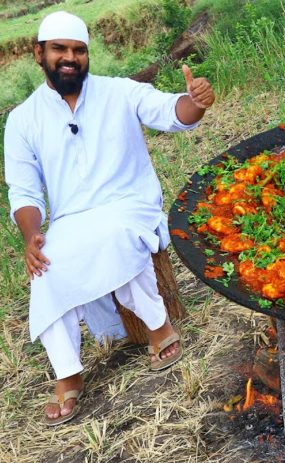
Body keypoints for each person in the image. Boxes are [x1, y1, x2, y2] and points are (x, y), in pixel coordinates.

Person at [3, 11, 215, 426]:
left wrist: (195, 101)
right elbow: (24, 191)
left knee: (115, 232)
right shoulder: (22, 119)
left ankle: (158, 327)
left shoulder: (119, 92)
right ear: (39, 54)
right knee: (45, 266)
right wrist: (32, 237)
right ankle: (68, 373)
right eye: (60, 49)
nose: (70, 58)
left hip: (129, 204)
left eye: (78, 50)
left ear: (86, 55)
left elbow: (172, 112)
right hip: (71, 219)